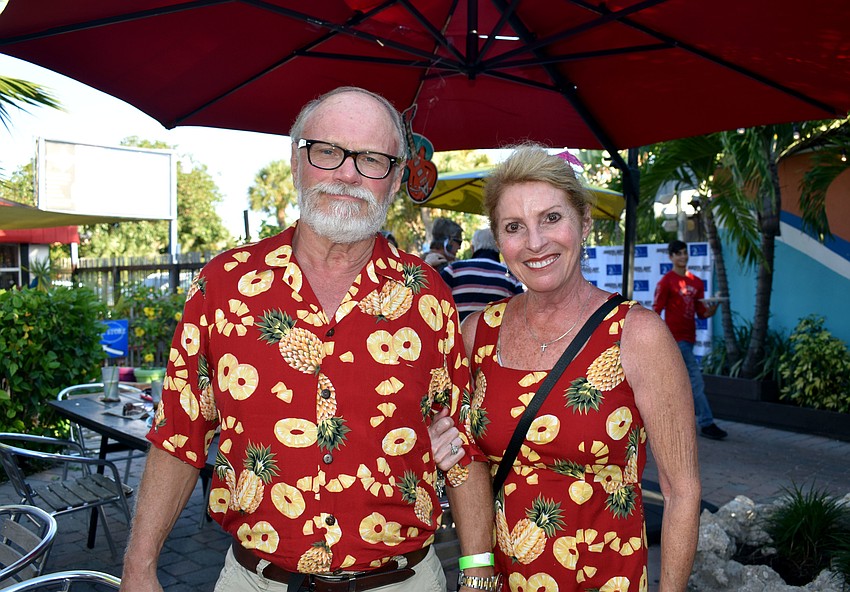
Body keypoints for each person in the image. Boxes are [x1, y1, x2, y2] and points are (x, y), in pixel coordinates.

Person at [121, 86, 496, 592]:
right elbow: (178, 435)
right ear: (297, 162)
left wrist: (477, 572)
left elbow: (462, 442)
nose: (347, 174)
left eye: (372, 159)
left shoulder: (428, 297)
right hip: (256, 581)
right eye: (328, 151)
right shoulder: (224, 285)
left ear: (395, 179)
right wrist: (139, 567)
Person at [429, 145, 701, 591]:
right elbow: (466, 456)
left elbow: (681, 490)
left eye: (551, 218)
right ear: (500, 242)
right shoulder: (478, 332)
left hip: (602, 580)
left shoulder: (637, 336)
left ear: (584, 222)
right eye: (515, 227)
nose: (535, 242)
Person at [653, 240, 728, 441]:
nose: (683, 256)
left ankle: (663, 421)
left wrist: (714, 307)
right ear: (671, 257)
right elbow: (656, 311)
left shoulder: (696, 282)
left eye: (685, 253)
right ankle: (706, 422)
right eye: (678, 253)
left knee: (677, 383)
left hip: (689, 338)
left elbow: (702, 313)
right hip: (675, 340)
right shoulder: (666, 282)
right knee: (695, 379)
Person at [440, 227, 524, 321]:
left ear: (473, 248)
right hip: (495, 335)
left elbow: (436, 302)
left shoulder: (453, 270)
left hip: (457, 334)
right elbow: (520, 311)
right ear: (498, 248)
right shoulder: (511, 276)